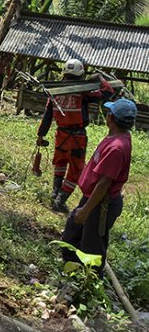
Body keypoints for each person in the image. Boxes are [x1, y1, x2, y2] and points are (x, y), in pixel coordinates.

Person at [60, 98, 135, 277]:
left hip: (100, 203)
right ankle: (74, 273)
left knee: (92, 248)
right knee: (72, 235)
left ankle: (90, 283)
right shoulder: (116, 137)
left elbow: (104, 183)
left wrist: (86, 210)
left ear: (111, 118)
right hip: (92, 198)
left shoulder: (117, 148)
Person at [37, 59, 114, 213]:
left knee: (60, 163)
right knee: (75, 170)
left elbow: (47, 116)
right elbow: (108, 92)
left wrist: (40, 135)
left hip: (61, 134)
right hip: (77, 138)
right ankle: (60, 201)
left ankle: (55, 193)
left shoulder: (55, 92)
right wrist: (100, 78)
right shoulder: (83, 93)